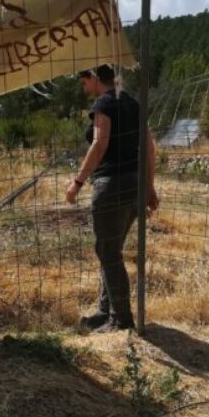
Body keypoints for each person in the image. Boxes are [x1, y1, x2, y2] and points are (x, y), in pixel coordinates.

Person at [66, 64, 159, 333]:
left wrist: (77, 183)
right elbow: (149, 147)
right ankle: (105, 312)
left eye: (84, 80)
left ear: (94, 77)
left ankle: (121, 319)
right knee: (111, 251)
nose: (83, 86)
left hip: (111, 186)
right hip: (134, 185)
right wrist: (148, 186)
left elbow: (99, 143)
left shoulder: (104, 103)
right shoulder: (132, 103)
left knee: (108, 252)